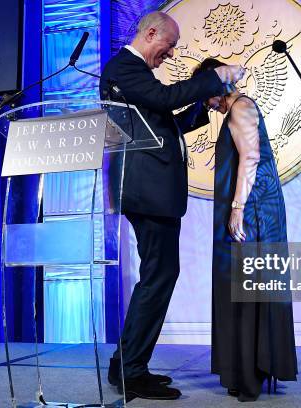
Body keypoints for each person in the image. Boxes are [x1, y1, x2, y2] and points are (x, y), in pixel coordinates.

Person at [99, 12, 245, 401]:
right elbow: (165, 99)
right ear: (150, 33)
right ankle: (131, 370)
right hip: (147, 191)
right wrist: (215, 78)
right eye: (170, 43)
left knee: (158, 276)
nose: (172, 53)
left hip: (154, 192)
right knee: (159, 276)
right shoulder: (124, 67)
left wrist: (201, 106)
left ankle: (127, 364)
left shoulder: (136, 76)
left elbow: (164, 124)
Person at [192, 58, 298, 402]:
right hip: (251, 203)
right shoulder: (238, 107)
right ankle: (247, 370)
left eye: (205, 93)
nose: (206, 102)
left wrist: (237, 208)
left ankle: (251, 372)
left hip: (253, 208)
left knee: (248, 284)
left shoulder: (241, 106)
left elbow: (250, 157)